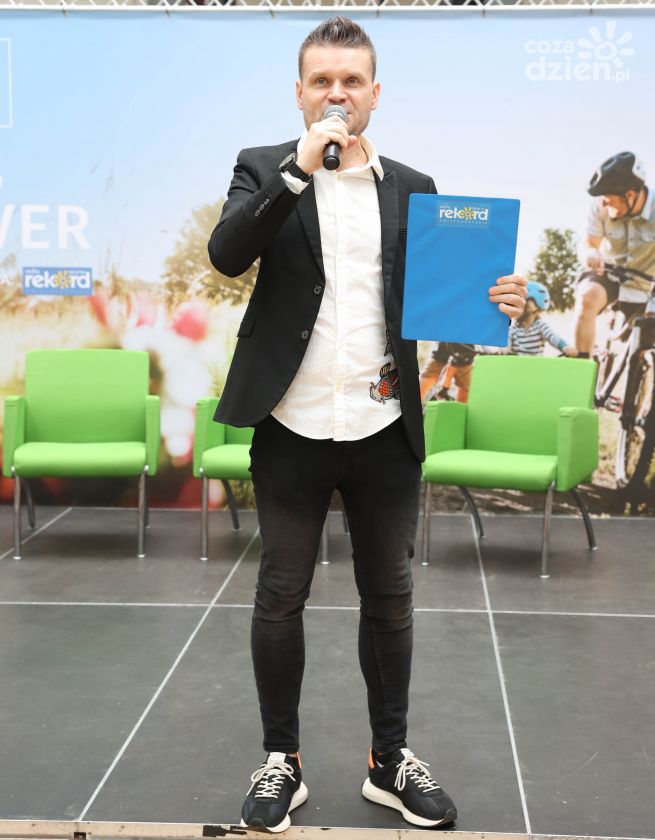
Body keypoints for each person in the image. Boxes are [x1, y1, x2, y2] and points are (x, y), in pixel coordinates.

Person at [208, 17, 527, 834]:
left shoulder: (414, 187)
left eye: (351, 81)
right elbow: (226, 253)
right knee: (280, 595)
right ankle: (281, 760)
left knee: (389, 597)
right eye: (322, 80)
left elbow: (440, 297)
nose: (336, 94)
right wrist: (297, 170)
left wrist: (499, 300)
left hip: (383, 427)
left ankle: (389, 762)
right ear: (300, 92)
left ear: (374, 94)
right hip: (291, 422)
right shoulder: (263, 168)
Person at [573, 151, 655, 357]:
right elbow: (590, 243)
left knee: (643, 345)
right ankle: (581, 367)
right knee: (587, 297)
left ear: (630, 195)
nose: (603, 203)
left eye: (608, 198)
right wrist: (591, 252)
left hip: (647, 285)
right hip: (610, 275)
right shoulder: (600, 206)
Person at [508, 281, 577, 356]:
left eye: (520, 304)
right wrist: (502, 349)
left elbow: (552, 337)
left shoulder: (540, 325)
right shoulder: (514, 328)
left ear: (532, 307)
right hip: (516, 363)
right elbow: (507, 341)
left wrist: (564, 347)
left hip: (536, 363)